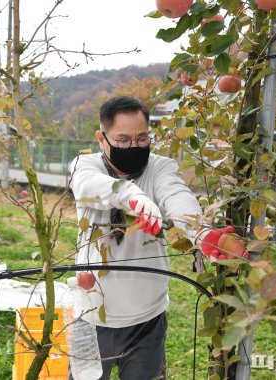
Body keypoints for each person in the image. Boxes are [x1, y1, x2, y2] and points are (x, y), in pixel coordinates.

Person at [69, 95, 203, 379]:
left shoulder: (159, 168)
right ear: (102, 138)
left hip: (147, 318)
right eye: (124, 140)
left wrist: (199, 230)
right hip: (93, 315)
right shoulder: (84, 165)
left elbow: (176, 195)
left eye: (142, 139)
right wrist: (131, 195)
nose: (134, 146)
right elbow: (87, 187)